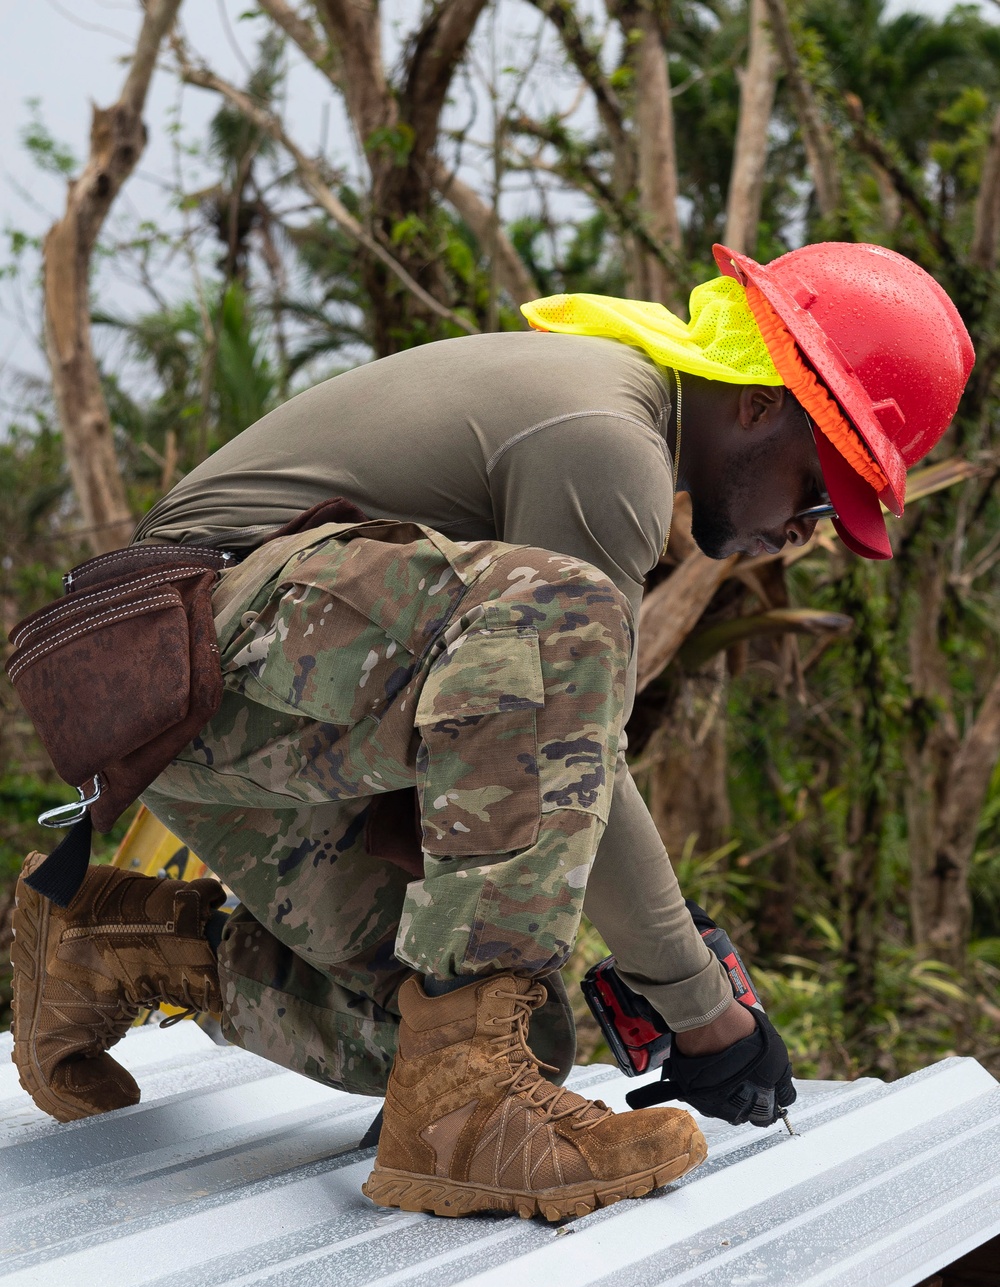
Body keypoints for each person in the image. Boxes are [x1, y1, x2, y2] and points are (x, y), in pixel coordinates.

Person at [10, 241, 973, 1222]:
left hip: (192, 708)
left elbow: (550, 739)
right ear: (761, 405)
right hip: (182, 639)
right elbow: (571, 735)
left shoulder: (622, 423)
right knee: (566, 617)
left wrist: (688, 990)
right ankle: (465, 1123)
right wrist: (702, 1009)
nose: (801, 534)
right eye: (817, 494)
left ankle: (111, 945)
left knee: (499, 1034)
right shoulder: (610, 441)